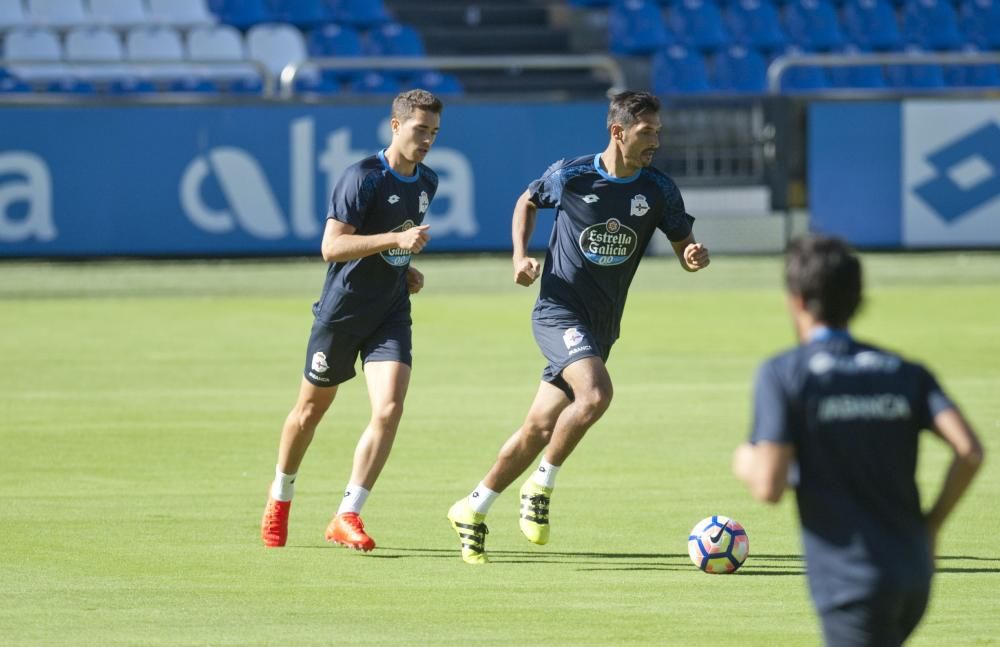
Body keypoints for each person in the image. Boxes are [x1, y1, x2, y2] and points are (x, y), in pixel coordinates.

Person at [447, 91, 711, 564]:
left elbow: (684, 246)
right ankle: (541, 484)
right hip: (558, 312)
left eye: (658, 132)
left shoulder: (659, 189)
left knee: (536, 427)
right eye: (646, 132)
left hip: (601, 328)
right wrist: (519, 255)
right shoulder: (572, 175)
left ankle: (473, 508)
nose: (655, 141)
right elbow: (526, 201)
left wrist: (692, 257)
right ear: (618, 132)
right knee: (595, 396)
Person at [732, 235, 984, 646]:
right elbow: (969, 451)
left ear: (796, 300)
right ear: (858, 299)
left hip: (851, 582)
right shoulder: (905, 371)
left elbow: (767, 486)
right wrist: (932, 527)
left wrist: (745, 458)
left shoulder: (785, 373)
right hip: (914, 574)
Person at [261, 89, 442, 550]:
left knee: (388, 409)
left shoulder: (428, 182)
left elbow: (393, 243)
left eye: (434, 133)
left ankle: (347, 513)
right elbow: (332, 248)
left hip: (390, 314)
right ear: (396, 126)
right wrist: (394, 246)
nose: (427, 141)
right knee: (309, 412)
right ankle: (280, 497)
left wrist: (406, 270)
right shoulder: (361, 177)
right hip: (342, 313)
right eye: (420, 130)